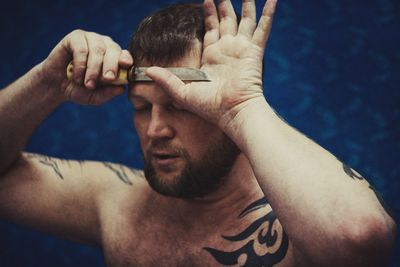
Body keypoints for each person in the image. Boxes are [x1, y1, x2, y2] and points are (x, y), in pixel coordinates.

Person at [0, 0, 396, 266]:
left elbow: (360, 240)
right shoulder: (115, 200)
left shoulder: (299, 220)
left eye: (180, 106)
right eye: (140, 108)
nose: (154, 129)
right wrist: (47, 82)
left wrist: (242, 107)